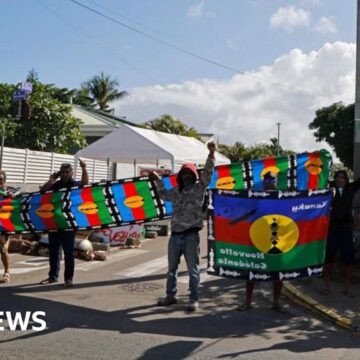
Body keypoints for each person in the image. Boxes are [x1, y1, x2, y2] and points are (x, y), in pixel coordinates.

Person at [151, 142, 216, 311]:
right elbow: (163, 195)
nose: (187, 176)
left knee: (193, 270)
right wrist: (158, 181)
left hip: (191, 236)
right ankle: (170, 296)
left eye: (190, 174)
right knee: (171, 269)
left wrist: (211, 153)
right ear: (180, 176)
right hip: (175, 236)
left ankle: (193, 299)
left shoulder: (199, 188)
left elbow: (208, 174)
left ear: (194, 176)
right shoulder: (176, 191)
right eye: (184, 173)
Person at [238, 171, 284, 312]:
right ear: (263, 183)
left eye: (272, 181)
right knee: (252, 270)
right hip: (257, 239)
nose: (269, 184)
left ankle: (276, 302)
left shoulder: (282, 198)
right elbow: (246, 213)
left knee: (278, 271)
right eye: (267, 181)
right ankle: (248, 301)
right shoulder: (256, 199)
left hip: (276, 240)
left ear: (276, 183)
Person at [39, 160, 88, 287]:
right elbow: (43, 191)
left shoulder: (74, 183)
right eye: (62, 172)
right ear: (59, 173)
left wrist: (84, 169)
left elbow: (85, 183)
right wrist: (51, 179)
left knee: (68, 252)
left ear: (71, 172)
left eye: (67, 172)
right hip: (54, 222)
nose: (65, 174)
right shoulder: (56, 185)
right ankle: (53, 276)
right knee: (54, 251)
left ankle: (68, 279)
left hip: (68, 223)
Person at [322, 170, 360, 297]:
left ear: (346, 180)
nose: (340, 179)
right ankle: (327, 287)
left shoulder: (350, 189)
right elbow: (320, 177)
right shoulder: (330, 189)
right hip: (332, 229)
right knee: (328, 260)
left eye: (343, 177)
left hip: (346, 230)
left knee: (348, 261)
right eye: (338, 177)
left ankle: (347, 289)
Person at [0, 170, 19, 284]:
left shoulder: (8, 190)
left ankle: (7, 272)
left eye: (0, 179)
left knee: (2, 248)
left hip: (3, 225)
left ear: (4, 180)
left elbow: (19, 194)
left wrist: (11, 196)